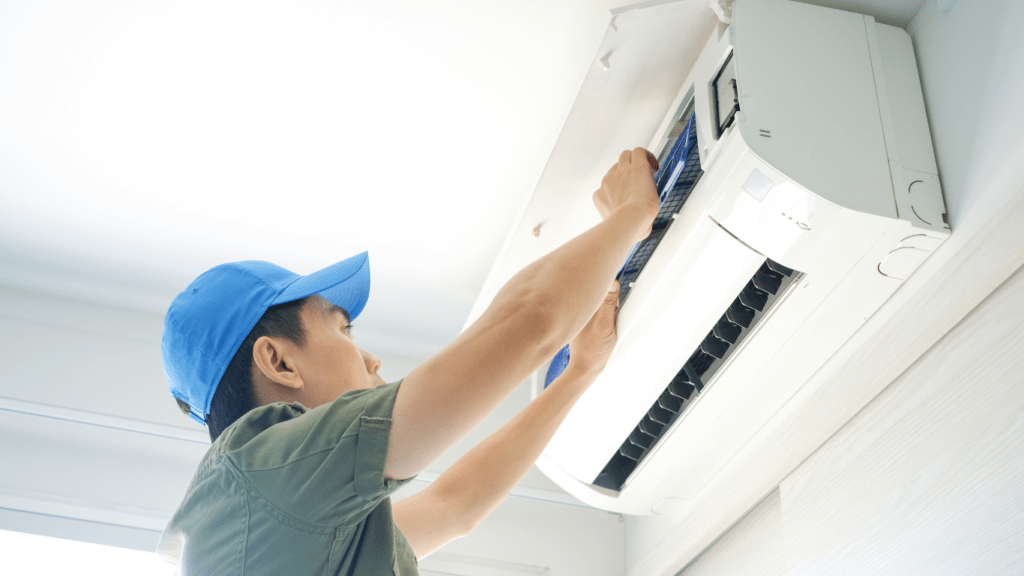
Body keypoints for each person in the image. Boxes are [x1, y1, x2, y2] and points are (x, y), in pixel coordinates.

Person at [156, 148, 660, 574]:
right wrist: (630, 215)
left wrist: (578, 373)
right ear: (279, 361)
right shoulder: (265, 474)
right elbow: (526, 324)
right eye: (341, 328)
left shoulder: (279, 518)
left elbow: (453, 505)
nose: (369, 356)